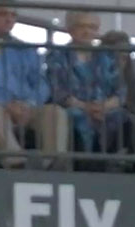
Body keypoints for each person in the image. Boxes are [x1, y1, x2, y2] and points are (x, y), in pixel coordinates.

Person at [0, 0, 68, 168]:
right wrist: (6, 104)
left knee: (55, 112)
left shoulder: (25, 49)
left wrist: (28, 103)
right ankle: (15, 162)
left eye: (13, 15)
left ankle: (54, 163)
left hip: (27, 107)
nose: (9, 19)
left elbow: (42, 83)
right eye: (3, 14)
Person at [46, 11, 127, 165]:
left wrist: (104, 106)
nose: (87, 31)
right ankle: (83, 166)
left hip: (104, 109)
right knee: (76, 117)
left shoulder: (107, 56)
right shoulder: (57, 56)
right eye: (81, 26)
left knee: (124, 118)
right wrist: (86, 107)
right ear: (70, 29)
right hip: (74, 109)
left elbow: (120, 92)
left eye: (92, 27)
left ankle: (114, 165)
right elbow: (57, 91)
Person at [101, 30, 135, 172]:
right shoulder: (98, 76)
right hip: (112, 123)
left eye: (124, 57)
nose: (120, 61)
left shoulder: (133, 81)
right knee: (129, 122)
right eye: (116, 56)